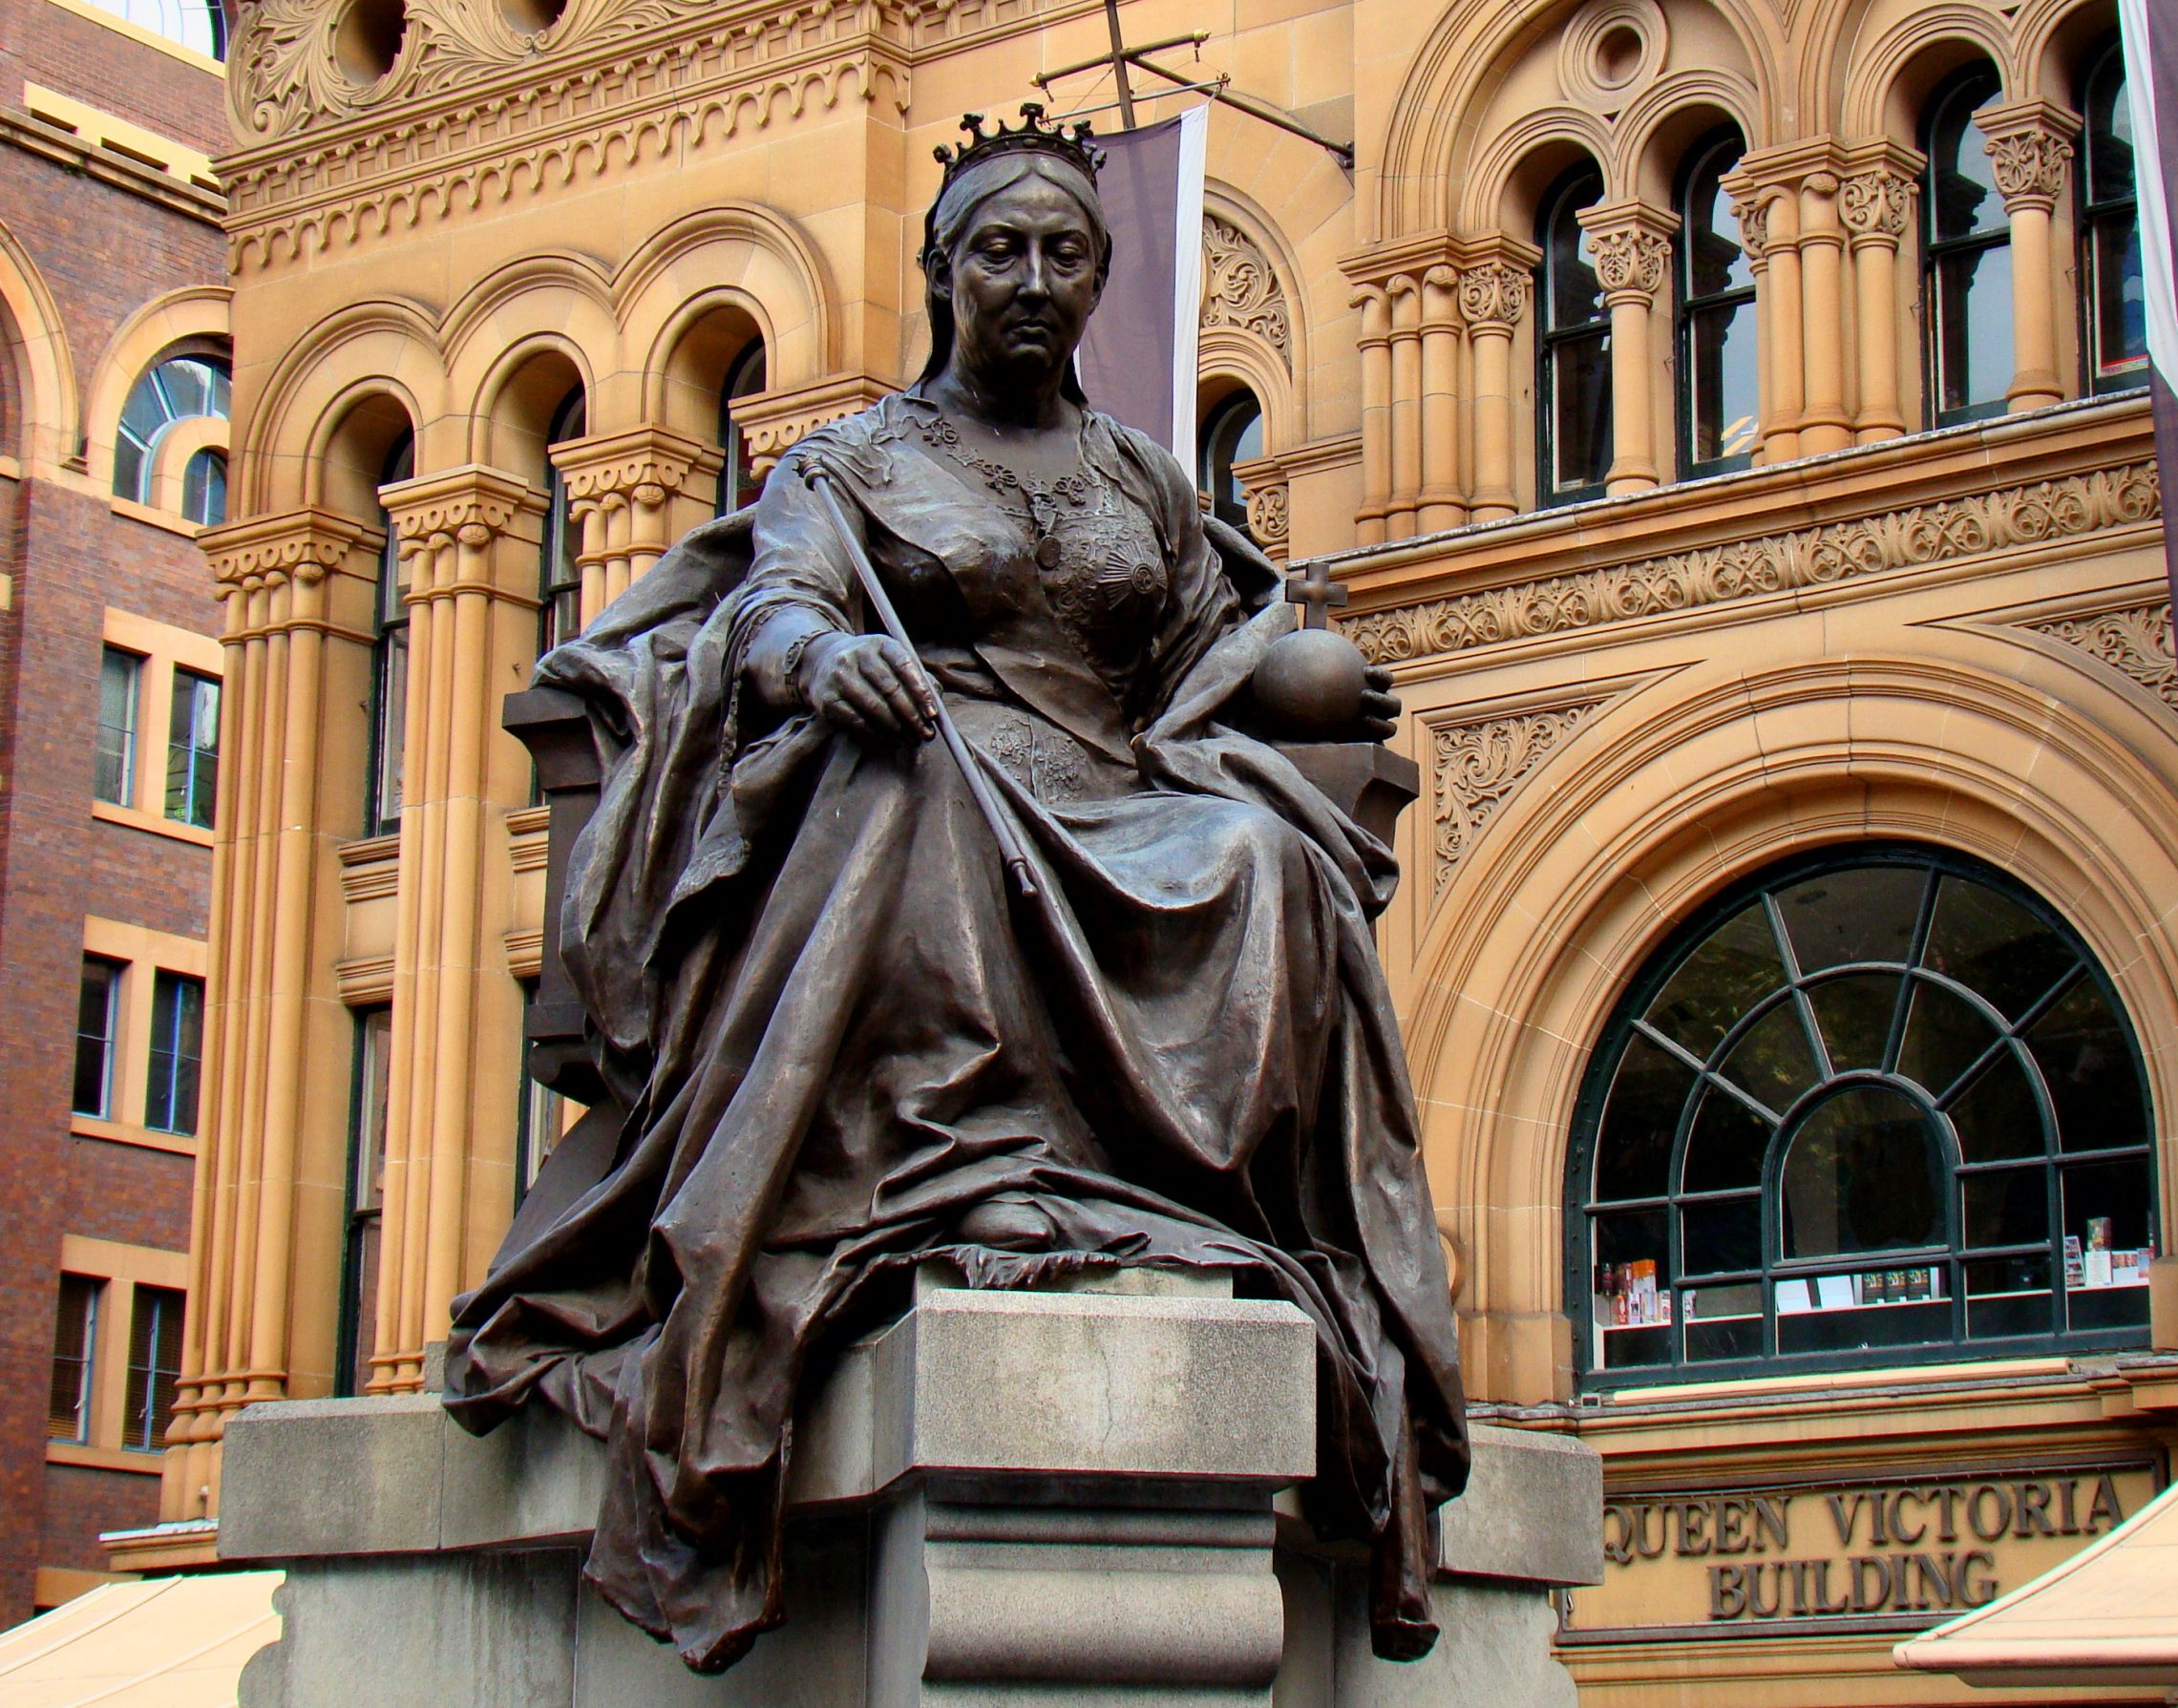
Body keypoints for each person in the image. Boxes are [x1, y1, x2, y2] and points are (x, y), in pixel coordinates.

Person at [444, 109, 1468, 1675]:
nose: (1034, 279)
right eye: (1001, 249)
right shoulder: (851, 462)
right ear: (944, 273)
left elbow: (1210, 644)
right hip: (927, 762)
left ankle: (1162, 1200)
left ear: (1098, 276)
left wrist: (1311, 667)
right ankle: (956, 1156)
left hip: (1126, 788)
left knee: (1269, 859)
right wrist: (827, 656)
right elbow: (772, 609)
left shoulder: (1141, 472)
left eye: (1065, 253)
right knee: (914, 784)